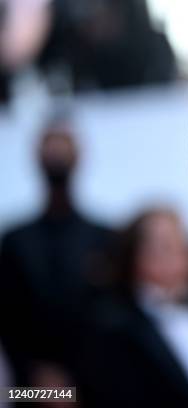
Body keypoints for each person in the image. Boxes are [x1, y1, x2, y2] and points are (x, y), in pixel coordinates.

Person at [75, 208, 188, 408]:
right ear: (137, 257)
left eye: (182, 242)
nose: (183, 252)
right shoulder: (116, 327)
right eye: (166, 245)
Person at [0, 118, 113, 387]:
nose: (57, 157)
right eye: (50, 149)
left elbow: (112, 315)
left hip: (95, 386)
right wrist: (37, 377)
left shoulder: (104, 237)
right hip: (27, 391)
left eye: (64, 149)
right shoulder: (15, 241)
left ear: (78, 157)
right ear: (37, 158)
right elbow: (7, 319)